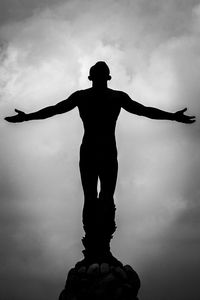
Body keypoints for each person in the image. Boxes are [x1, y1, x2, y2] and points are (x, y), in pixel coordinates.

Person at [5, 61, 196, 252]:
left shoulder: (93, 97)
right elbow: (144, 111)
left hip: (94, 150)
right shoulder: (109, 97)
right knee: (100, 196)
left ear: (93, 78)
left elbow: (55, 109)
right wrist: (173, 116)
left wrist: (27, 117)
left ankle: (99, 245)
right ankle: (97, 245)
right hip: (102, 151)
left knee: (98, 197)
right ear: (106, 77)